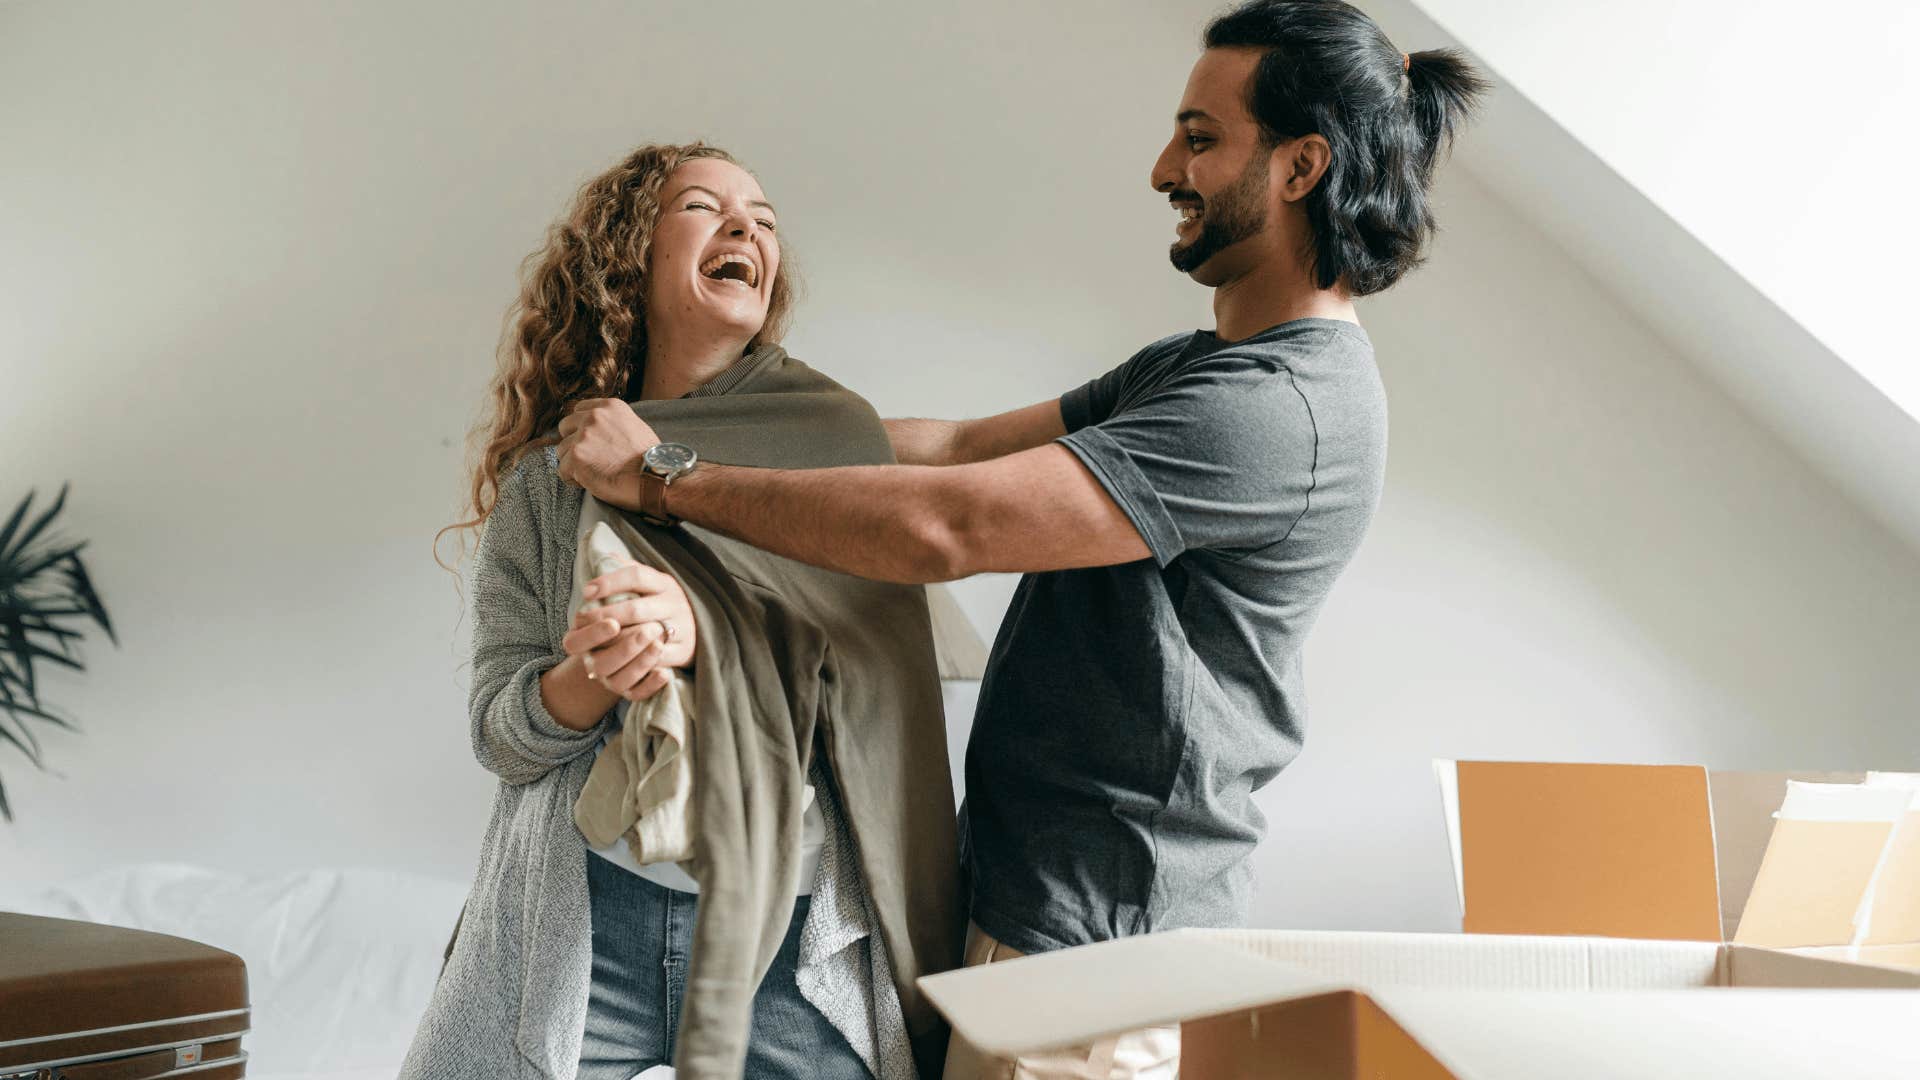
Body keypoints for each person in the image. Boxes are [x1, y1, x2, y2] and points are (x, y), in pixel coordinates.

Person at [560, 3, 1487, 1075]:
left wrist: (666, 476)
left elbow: (949, 527)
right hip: (1044, 924)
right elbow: (950, 449)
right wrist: (694, 423)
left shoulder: (1275, 409)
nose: (1161, 169)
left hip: (1096, 959)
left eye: (1199, 137)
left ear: (1299, 167)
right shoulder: (1195, 368)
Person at [404, 142, 961, 1080]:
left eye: (766, 219)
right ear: (633, 258)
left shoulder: (837, 444)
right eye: (703, 207)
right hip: (589, 920)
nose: (747, 225)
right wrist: (591, 675)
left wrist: (709, 632)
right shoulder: (552, 480)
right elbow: (502, 738)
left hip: (787, 936)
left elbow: (878, 688)